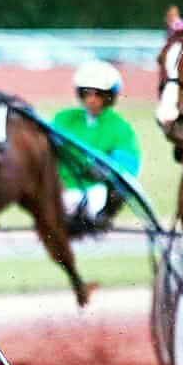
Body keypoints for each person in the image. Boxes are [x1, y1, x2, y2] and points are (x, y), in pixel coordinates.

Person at [52, 60, 140, 235]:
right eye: (87, 93)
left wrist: (106, 171)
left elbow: (128, 163)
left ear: (109, 96)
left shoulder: (120, 127)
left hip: (97, 190)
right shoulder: (64, 119)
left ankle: (101, 220)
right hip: (63, 187)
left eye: (98, 94)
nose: (92, 99)